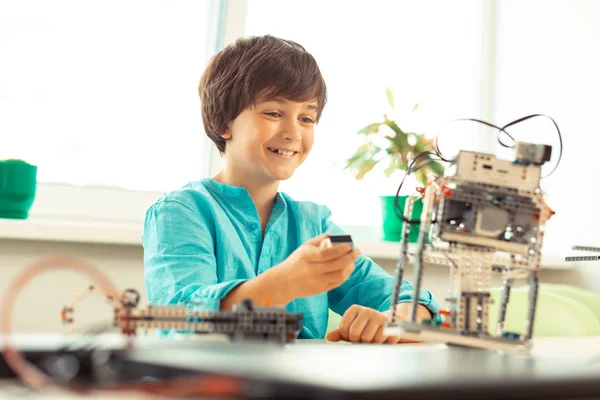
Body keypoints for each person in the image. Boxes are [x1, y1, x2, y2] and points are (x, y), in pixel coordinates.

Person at [142, 35, 440, 343]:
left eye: (306, 118)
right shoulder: (180, 212)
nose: (292, 132)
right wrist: (283, 283)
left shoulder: (317, 223)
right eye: (273, 113)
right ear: (223, 122)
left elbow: (410, 299)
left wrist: (395, 320)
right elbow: (180, 317)